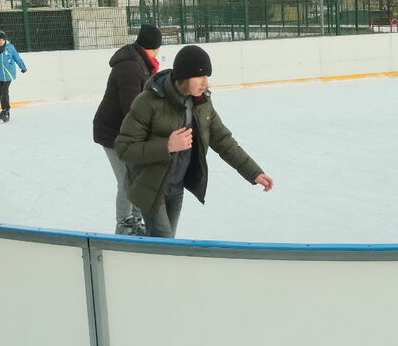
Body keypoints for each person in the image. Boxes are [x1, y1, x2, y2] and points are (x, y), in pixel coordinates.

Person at [114, 45, 274, 238]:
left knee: (165, 242)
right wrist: (167, 146)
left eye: (207, 76)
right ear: (183, 76)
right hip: (150, 187)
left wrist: (254, 173)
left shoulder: (201, 103)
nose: (205, 82)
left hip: (177, 186)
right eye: (200, 76)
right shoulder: (148, 102)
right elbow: (124, 148)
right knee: (165, 242)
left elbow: (223, 140)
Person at [93, 24, 164, 235]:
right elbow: (131, 107)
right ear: (155, 47)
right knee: (127, 181)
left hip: (127, 132)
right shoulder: (131, 67)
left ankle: (135, 221)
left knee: (136, 178)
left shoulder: (140, 62)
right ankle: (124, 225)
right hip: (114, 133)